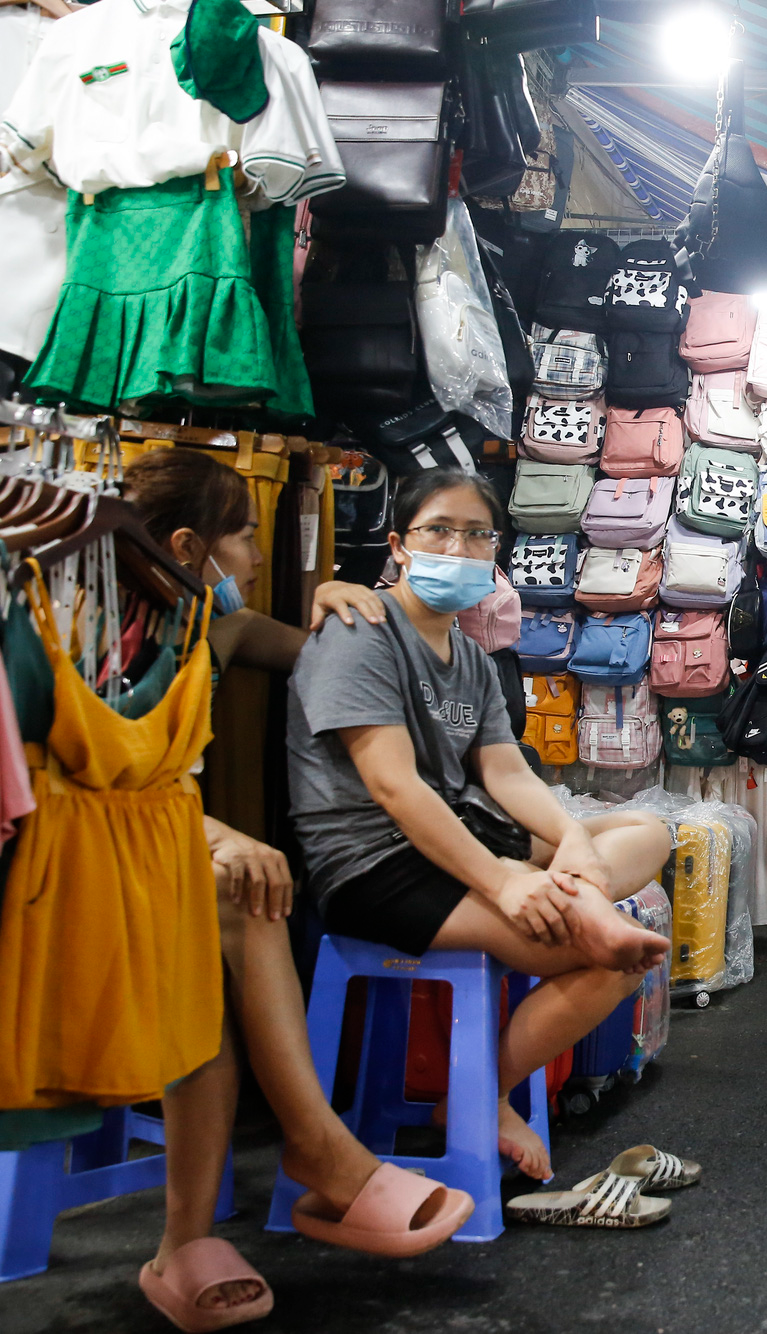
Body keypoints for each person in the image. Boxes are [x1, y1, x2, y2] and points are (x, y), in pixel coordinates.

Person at [122, 450, 472, 1330]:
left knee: (237, 916)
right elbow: (89, 789)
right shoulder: (93, 635)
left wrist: (333, 597)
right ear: (187, 544)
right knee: (243, 898)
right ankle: (317, 1151)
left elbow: (321, 653)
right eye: (242, 537)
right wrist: (212, 832)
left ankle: (203, 1229)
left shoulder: (218, 628)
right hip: (96, 858)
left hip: (159, 855)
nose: (251, 555)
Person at [289, 472, 683, 1183]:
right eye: (439, 529)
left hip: (456, 835)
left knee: (649, 833)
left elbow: (506, 775)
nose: (458, 546)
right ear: (398, 546)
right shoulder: (362, 633)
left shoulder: (469, 656)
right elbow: (391, 783)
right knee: (610, 961)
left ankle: (578, 901)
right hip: (375, 862)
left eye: (476, 534)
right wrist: (504, 882)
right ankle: (478, 1094)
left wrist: (566, 839)